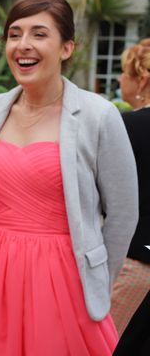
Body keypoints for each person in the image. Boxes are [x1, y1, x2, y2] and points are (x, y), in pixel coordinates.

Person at [0, 0, 138, 356]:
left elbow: (124, 213)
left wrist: (98, 281)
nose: (23, 45)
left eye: (38, 34)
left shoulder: (99, 116)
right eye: (14, 34)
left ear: (67, 48)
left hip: (64, 277)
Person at [110, 38, 150, 334]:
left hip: (135, 262)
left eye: (125, 73)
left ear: (142, 80)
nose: (120, 80)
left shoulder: (126, 126)